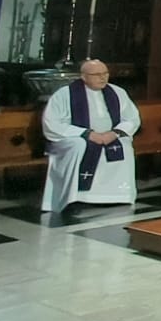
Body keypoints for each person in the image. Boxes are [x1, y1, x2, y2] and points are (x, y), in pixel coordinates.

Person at [40, 59, 140, 212]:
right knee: (79, 146)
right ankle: (75, 197)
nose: (103, 78)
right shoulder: (65, 94)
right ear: (84, 76)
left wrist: (114, 133)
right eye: (97, 74)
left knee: (124, 144)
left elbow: (132, 118)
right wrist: (86, 134)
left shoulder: (117, 92)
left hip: (109, 135)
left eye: (105, 73)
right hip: (75, 137)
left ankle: (117, 195)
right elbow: (52, 123)